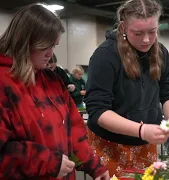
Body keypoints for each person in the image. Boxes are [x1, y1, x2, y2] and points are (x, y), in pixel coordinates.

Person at [0, 4, 109, 180]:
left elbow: (74, 131)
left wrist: (95, 166)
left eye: (54, 46)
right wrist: (46, 162)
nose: (50, 54)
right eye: (45, 46)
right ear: (24, 41)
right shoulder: (4, 84)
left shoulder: (53, 81)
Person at [84, 0, 169, 177]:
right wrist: (141, 130)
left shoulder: (160, 52)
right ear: (123, 27)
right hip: (109, 144)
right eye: (138, 33)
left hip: (144, 144)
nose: (146, 39)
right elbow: (98, 111)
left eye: (152, 32)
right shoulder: (105, 55)